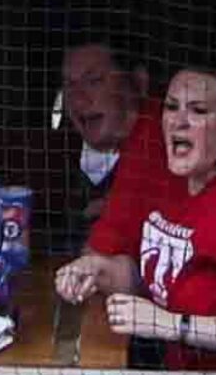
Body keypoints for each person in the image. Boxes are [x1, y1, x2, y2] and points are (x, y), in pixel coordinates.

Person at [54, 65, 216, 370]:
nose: (179, 122)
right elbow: (155, 279)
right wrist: (98, 271)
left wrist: (172, 324)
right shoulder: (167, 182)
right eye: (171, 107)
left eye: (198, 111)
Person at [54, 40, 154, 256]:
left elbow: (95, 259)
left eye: (94, 81)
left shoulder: (158, 136)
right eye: (70, 85)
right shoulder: (67, 145)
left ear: (139, 82)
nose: (78, 101)